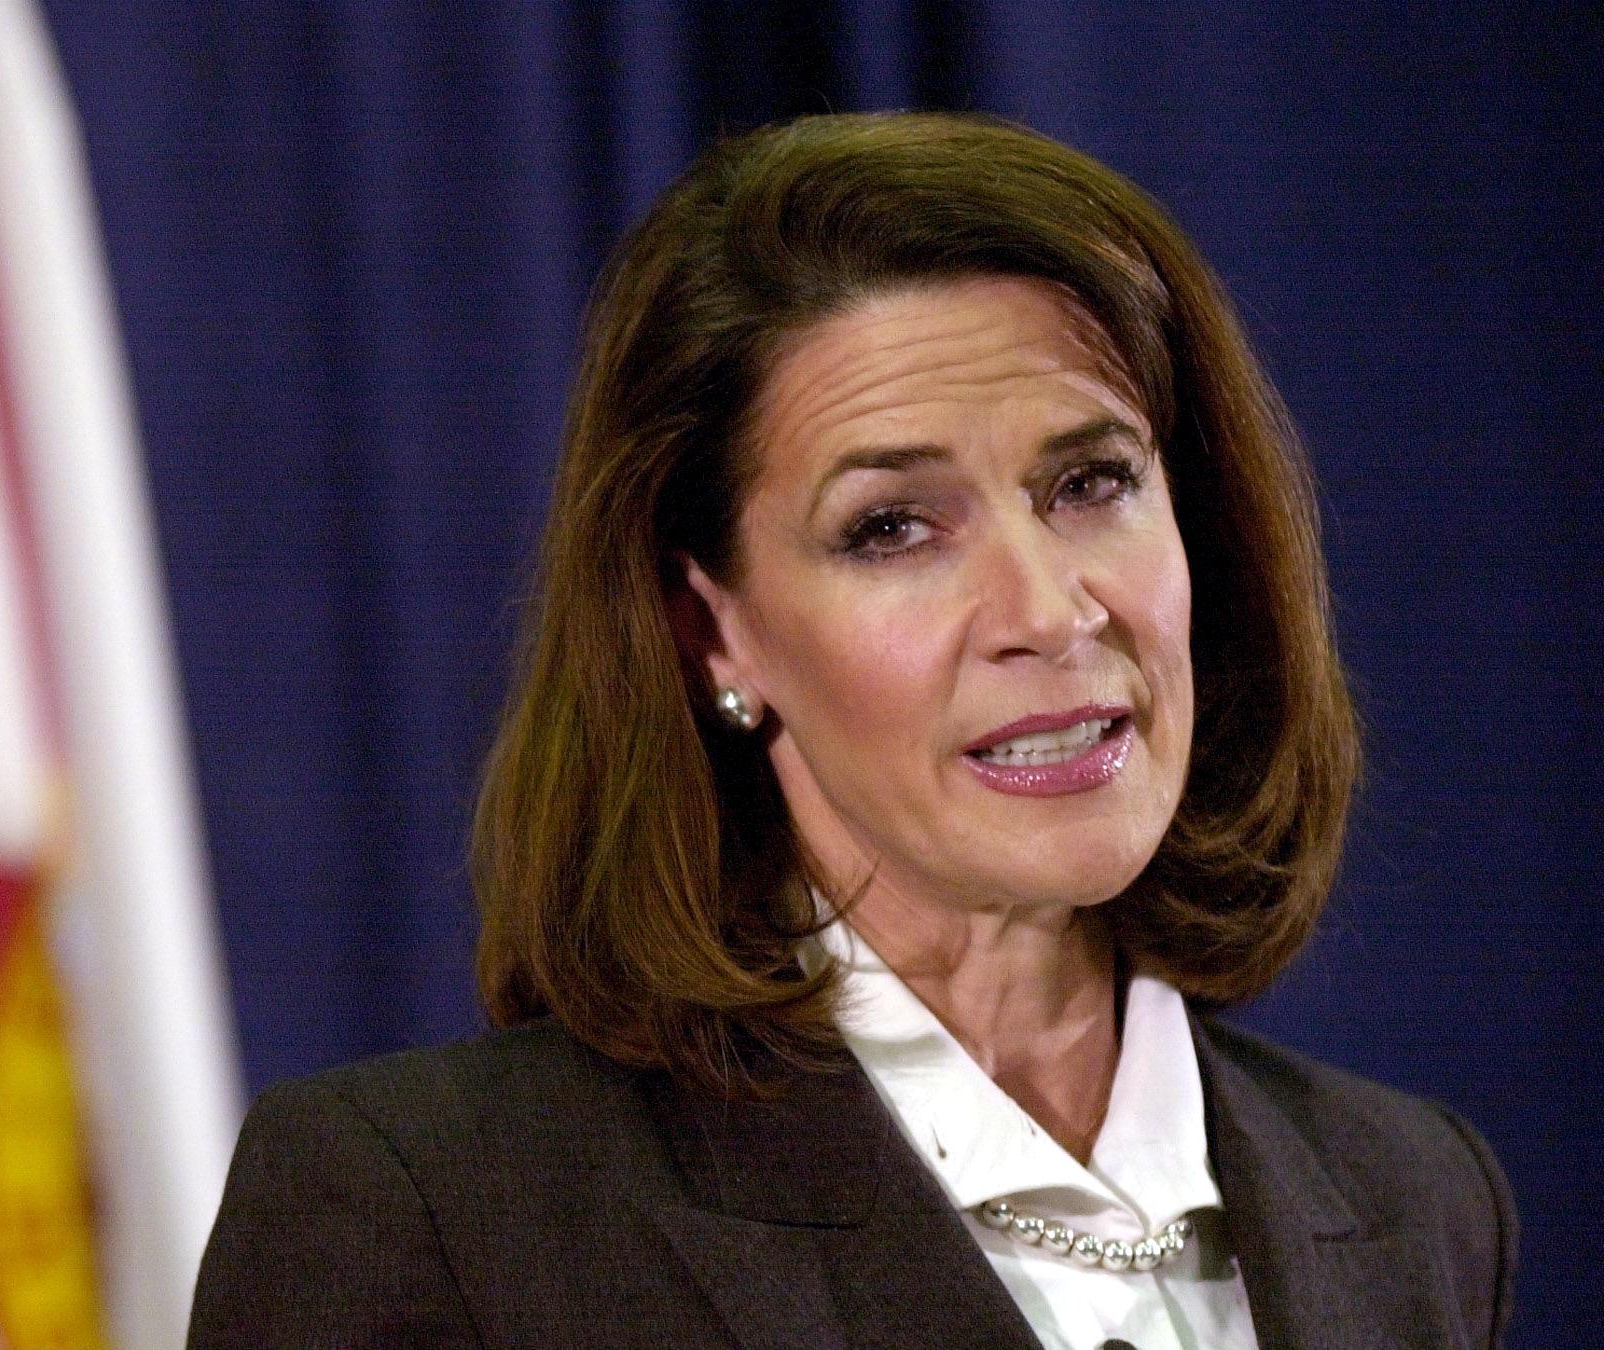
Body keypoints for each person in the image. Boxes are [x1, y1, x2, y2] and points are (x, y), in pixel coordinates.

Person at [187, 112, 1515, 1349]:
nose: (1049, 613)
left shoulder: (1415, 1196)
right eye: (892, 527)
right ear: (715, 629)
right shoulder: (440, 1214)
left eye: (1090, 482)